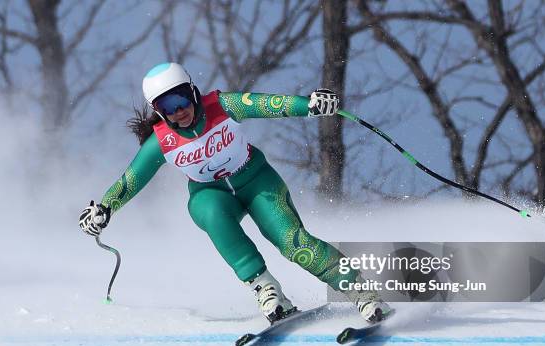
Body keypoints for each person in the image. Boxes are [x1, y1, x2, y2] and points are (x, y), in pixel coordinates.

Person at [79, 62, 391, 323]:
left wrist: (310, 105)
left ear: (192, 91)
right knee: (207, 210)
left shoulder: (222, 105)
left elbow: (270, 105)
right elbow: (130, 180)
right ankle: (266, 289)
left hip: (256, 181)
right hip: (213, 194)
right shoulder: (161, 142)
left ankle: (361, 290)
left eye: (181, 100)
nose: (179, 112)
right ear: (158, 112)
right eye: (167, 107)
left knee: (295, 245)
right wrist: (104, 209)